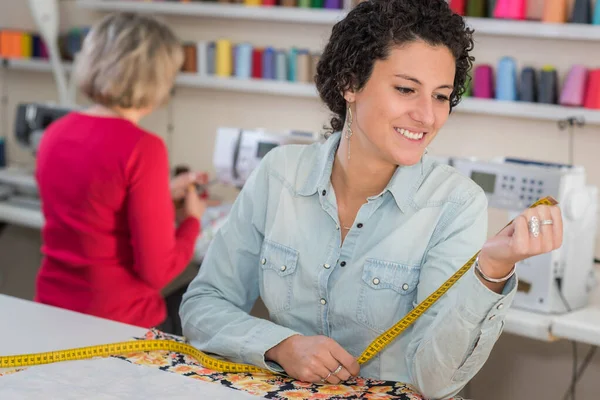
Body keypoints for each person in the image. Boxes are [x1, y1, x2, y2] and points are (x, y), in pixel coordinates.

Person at [179, 0, 563, 398]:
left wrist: (493, 271)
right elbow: (203, 306)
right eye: (405, 89)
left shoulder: (455, 205)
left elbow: (434, 380)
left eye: (440, 96)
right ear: (350, 84)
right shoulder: (280, 174)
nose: (427, 116)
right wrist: (280, 346)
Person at [34, 12, 208, 334]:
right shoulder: (144, 148)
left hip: (53, 312)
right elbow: (157, 271)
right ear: (158, 78)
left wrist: (161, 193)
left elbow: (95, 205)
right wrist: (192, 222)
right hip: (119, 324)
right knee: (214, 297)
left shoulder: (54, 132)